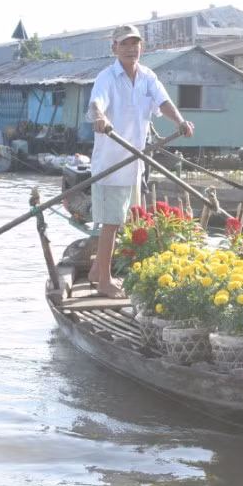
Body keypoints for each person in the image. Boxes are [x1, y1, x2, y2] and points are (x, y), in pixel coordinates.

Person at [87, 24, 194, 299]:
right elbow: (95, 104)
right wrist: (100, 118)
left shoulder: (147, 76)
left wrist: (180, 122)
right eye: (124, 44)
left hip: (136, 163)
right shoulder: (107, 77)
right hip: (111, 163)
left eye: (135, 44)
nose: (131, 48)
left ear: (141, 48)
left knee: (124, 220)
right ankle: (104, 282)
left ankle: (97, 272)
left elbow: (164, 102)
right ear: (114, 48)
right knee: (110, 223)